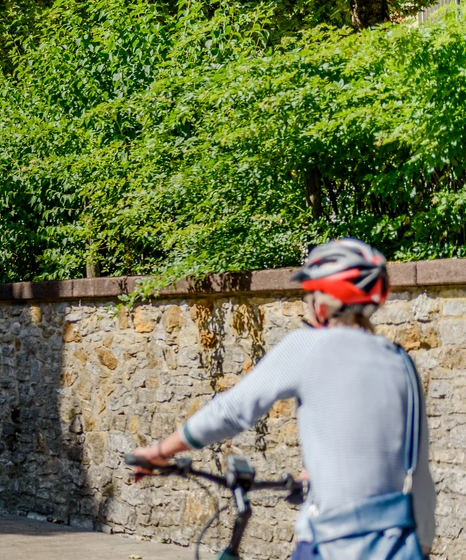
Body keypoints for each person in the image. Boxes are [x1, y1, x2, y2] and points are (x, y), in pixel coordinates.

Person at [130, 238, 435, 559]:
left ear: (322, 301)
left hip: (330, 544)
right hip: (400, 544)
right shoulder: (400, 361)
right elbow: (417, 467)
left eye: (309, 293)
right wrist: (423, 545)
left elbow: (230, 411)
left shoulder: (308, 346)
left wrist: (159, 451)